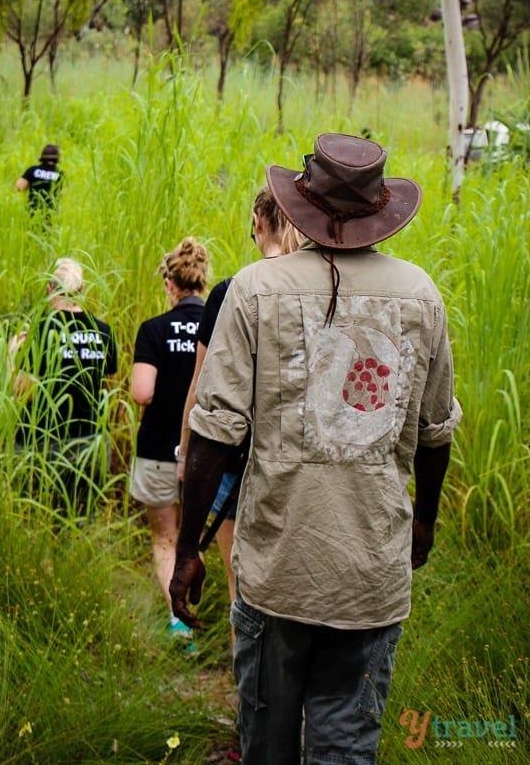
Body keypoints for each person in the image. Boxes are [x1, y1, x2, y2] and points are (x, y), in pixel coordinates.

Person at [170, 133, 463, 764]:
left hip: (279, 572)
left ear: (303, 202)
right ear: (380, 209)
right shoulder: (420, 295)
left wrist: (189, 548)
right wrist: (425, 520)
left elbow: (214, 432)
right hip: (371, 574)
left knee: (267, 744)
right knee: (346, 747)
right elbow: (437, 431)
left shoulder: (254, 289)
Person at [177, 187, 303, 626]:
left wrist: (184, 452)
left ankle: (247, 692)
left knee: (241, 587)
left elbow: (202, 388)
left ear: (257, 222)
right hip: (297, 465)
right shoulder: (321, 290)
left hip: (230, 462)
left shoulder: (234, 291)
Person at [130, 237, 210, 648]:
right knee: (197, 537)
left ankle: (179, 625)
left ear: (169, 284)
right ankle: (217, 615)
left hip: (160, 449)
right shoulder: (217, 326)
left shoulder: (154, 330)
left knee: (164, 538)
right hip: (208, 456)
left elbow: (142, 392)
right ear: (202, 281)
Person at [9, 257, 118, 519]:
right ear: (81, 291)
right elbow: (108, 389)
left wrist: (12, 357)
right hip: (89, 441)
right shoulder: (103, 331)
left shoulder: (41, 329)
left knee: (39, 522)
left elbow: (24, 392)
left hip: (43, 444)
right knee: (80, 524)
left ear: (49, 289)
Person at [16, 144, 63, 219]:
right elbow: (65, 195)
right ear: (58, 157)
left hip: (32, 211)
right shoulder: (60, 174)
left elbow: (19, 187)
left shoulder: (32, 170)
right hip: (51, 214)